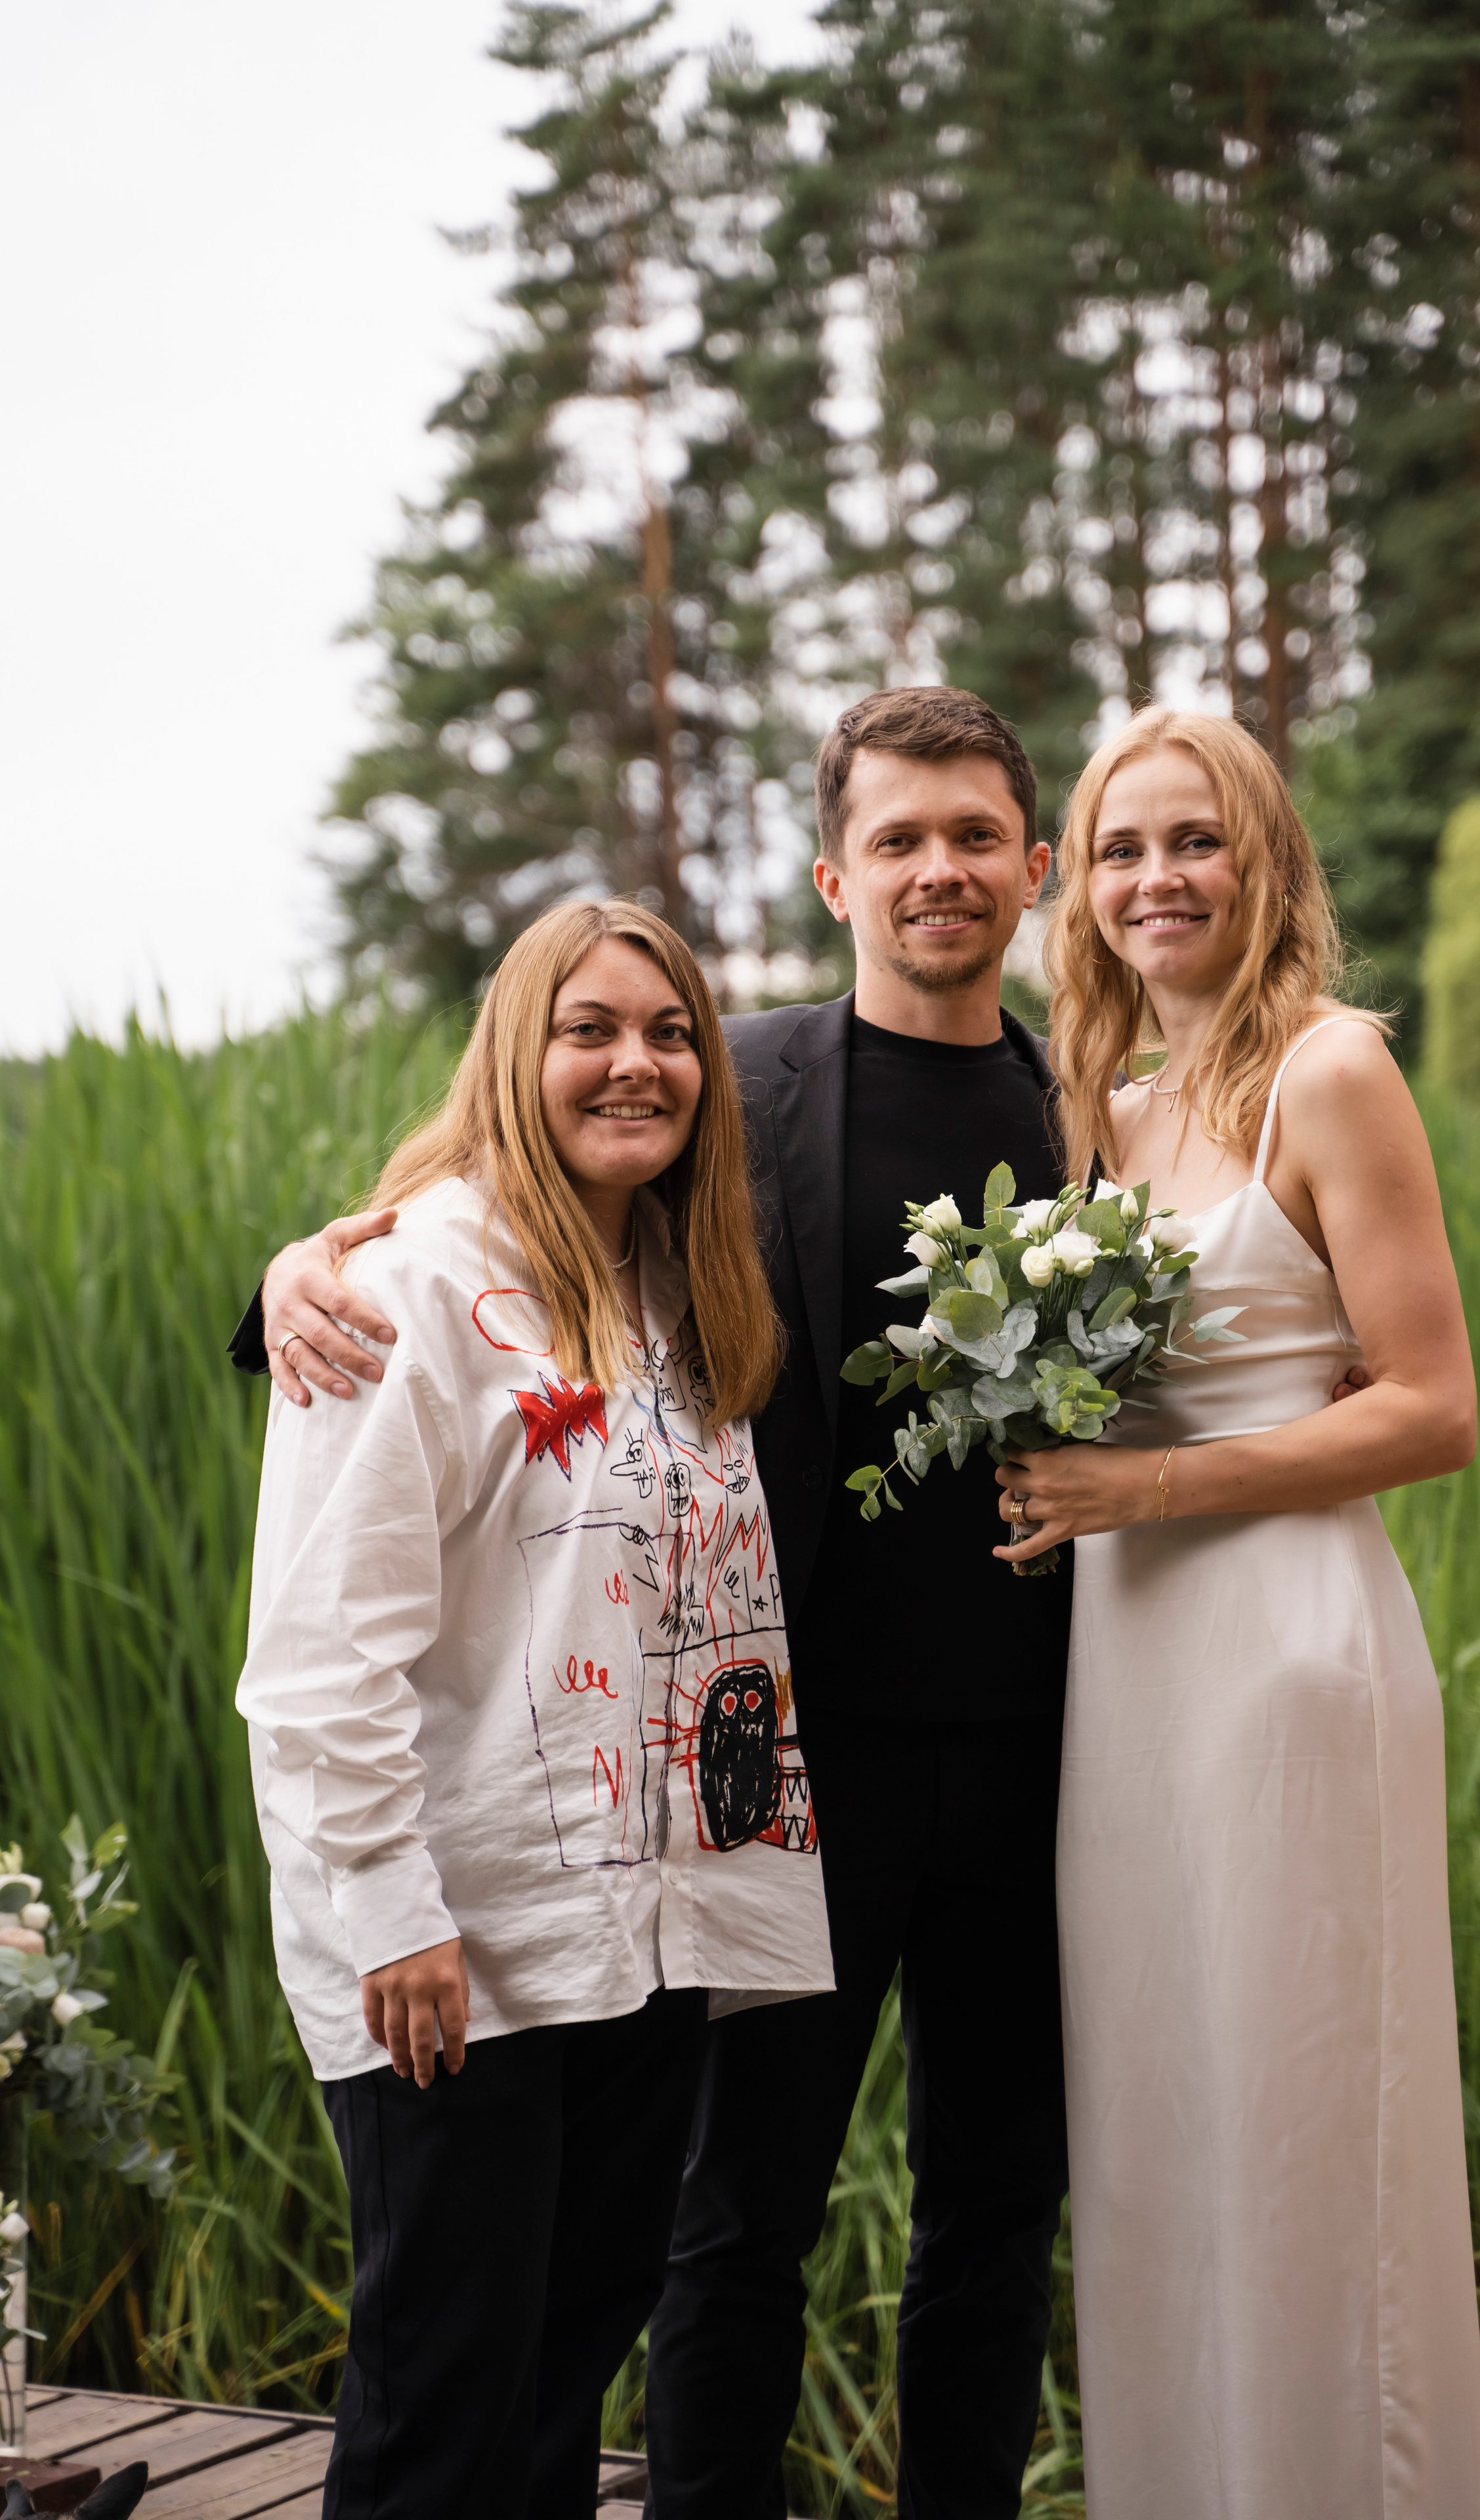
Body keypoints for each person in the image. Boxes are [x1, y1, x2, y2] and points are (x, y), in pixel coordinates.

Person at [234, 687, 1077, 2519]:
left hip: (907, 1802)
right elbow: (442, 1249)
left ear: (1034, 863)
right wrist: (294, 1278)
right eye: (899, 837)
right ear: (837, 872)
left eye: (974, 834)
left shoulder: (1097, 1120)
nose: (939, 867)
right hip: (763, 1795)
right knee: (690, 2252)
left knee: (922, 2234)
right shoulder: (723, 1091)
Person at [236, 898, 833, 2520]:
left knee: (561, 2379)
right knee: (444, 2396)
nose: (634, 1063)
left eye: (667, 1034)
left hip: (634, 1936)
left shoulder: (670, 1293)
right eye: (590, 1029)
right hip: (455, 1943)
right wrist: (388, 1911)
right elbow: (316, 1652)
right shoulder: (407, 1288)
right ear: (517, 1053)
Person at [994, 707, 1480, 2518]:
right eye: (1121, 850)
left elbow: (1430, 1409)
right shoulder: (1104, 1112)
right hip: (1129, 1681)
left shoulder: (1332, 1073)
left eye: (1193, 842)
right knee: (1159, 2125)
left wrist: (1147, 1489)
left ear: (1265, 859)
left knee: (1302, 2123)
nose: (1154, 881)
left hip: (1287, 1651)